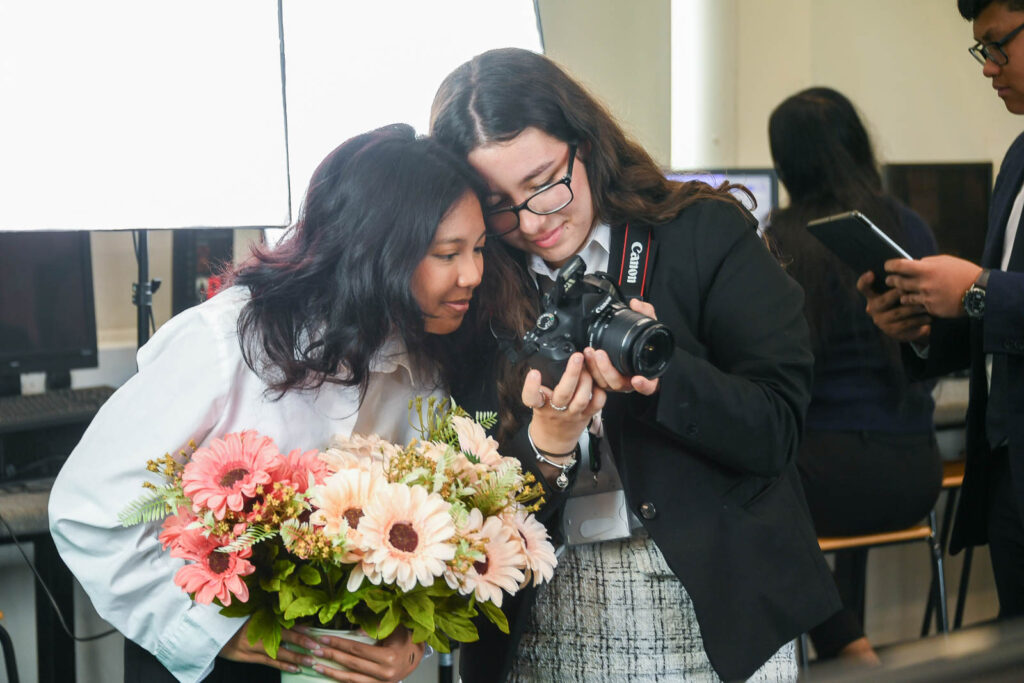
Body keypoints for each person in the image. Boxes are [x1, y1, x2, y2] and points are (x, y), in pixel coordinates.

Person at [47, 124, 583, 683]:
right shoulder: (224, 343)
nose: (472, 275)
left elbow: (431, 538)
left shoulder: (429, 357)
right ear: (373, 252)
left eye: (477, 249)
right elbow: (87, 510)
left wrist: (412, 639)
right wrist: (217, 630)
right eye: (447, 253)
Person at [430, 47, 841, 682]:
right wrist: (546, 447)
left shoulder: (702, 234)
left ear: (585, 144)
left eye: (545, 183)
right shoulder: (471, 286)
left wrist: (660, 378)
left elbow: (777, 429)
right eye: (499, 204)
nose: (534, 220)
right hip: (542, 603)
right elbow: (456, 494)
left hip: (711, 599)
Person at [857, 0, 1024, 623]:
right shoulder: (1017, 161)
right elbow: (998, 330)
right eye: (983, 50)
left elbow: (989, 295)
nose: (989, 68)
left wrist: (977, 289)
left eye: (999, 45)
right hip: (1007, 472)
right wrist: (925, 330)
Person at [766, 87, 943, 663]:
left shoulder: (780, 241)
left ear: (786, 162)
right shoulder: (908, 227)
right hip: (917, 476)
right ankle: (853, 647)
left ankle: (846, 647)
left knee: (749, 495)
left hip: (824, 483)